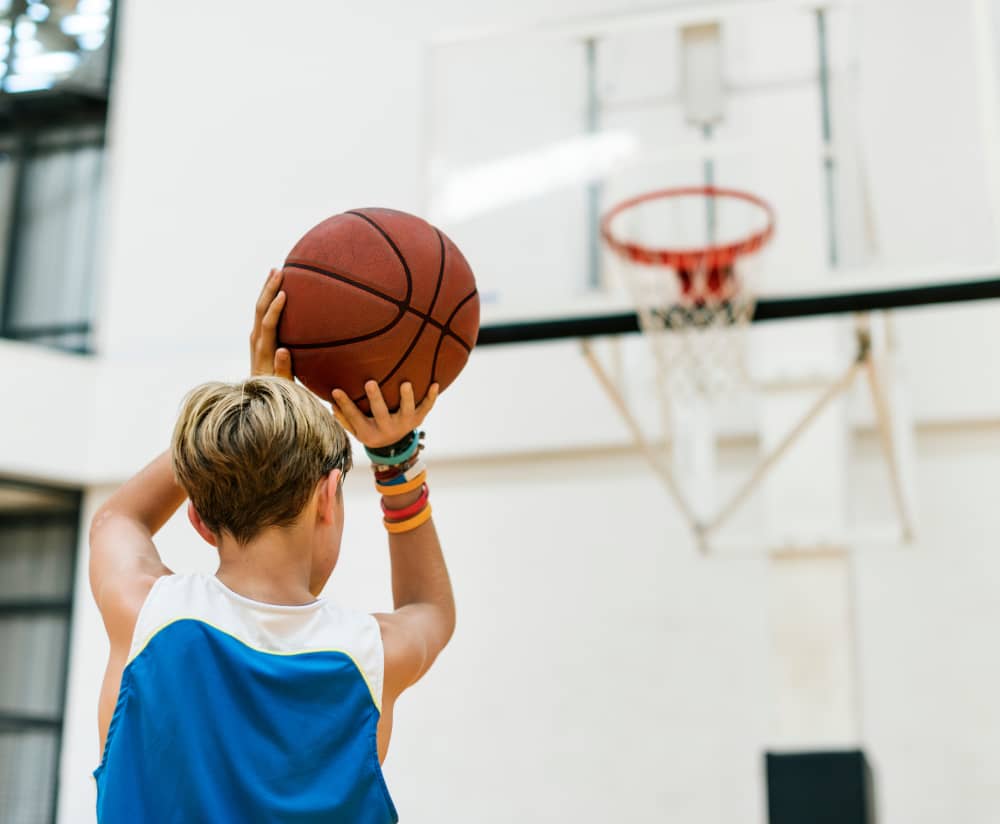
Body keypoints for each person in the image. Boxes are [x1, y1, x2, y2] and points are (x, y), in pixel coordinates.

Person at [88, 269, 455, 823]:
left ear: (197, 517)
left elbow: (119, 517)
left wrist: (240, 417)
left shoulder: (144, 614)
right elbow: (431, 610)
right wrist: (396, 459)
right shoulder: (370, 655)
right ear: (328, 498)